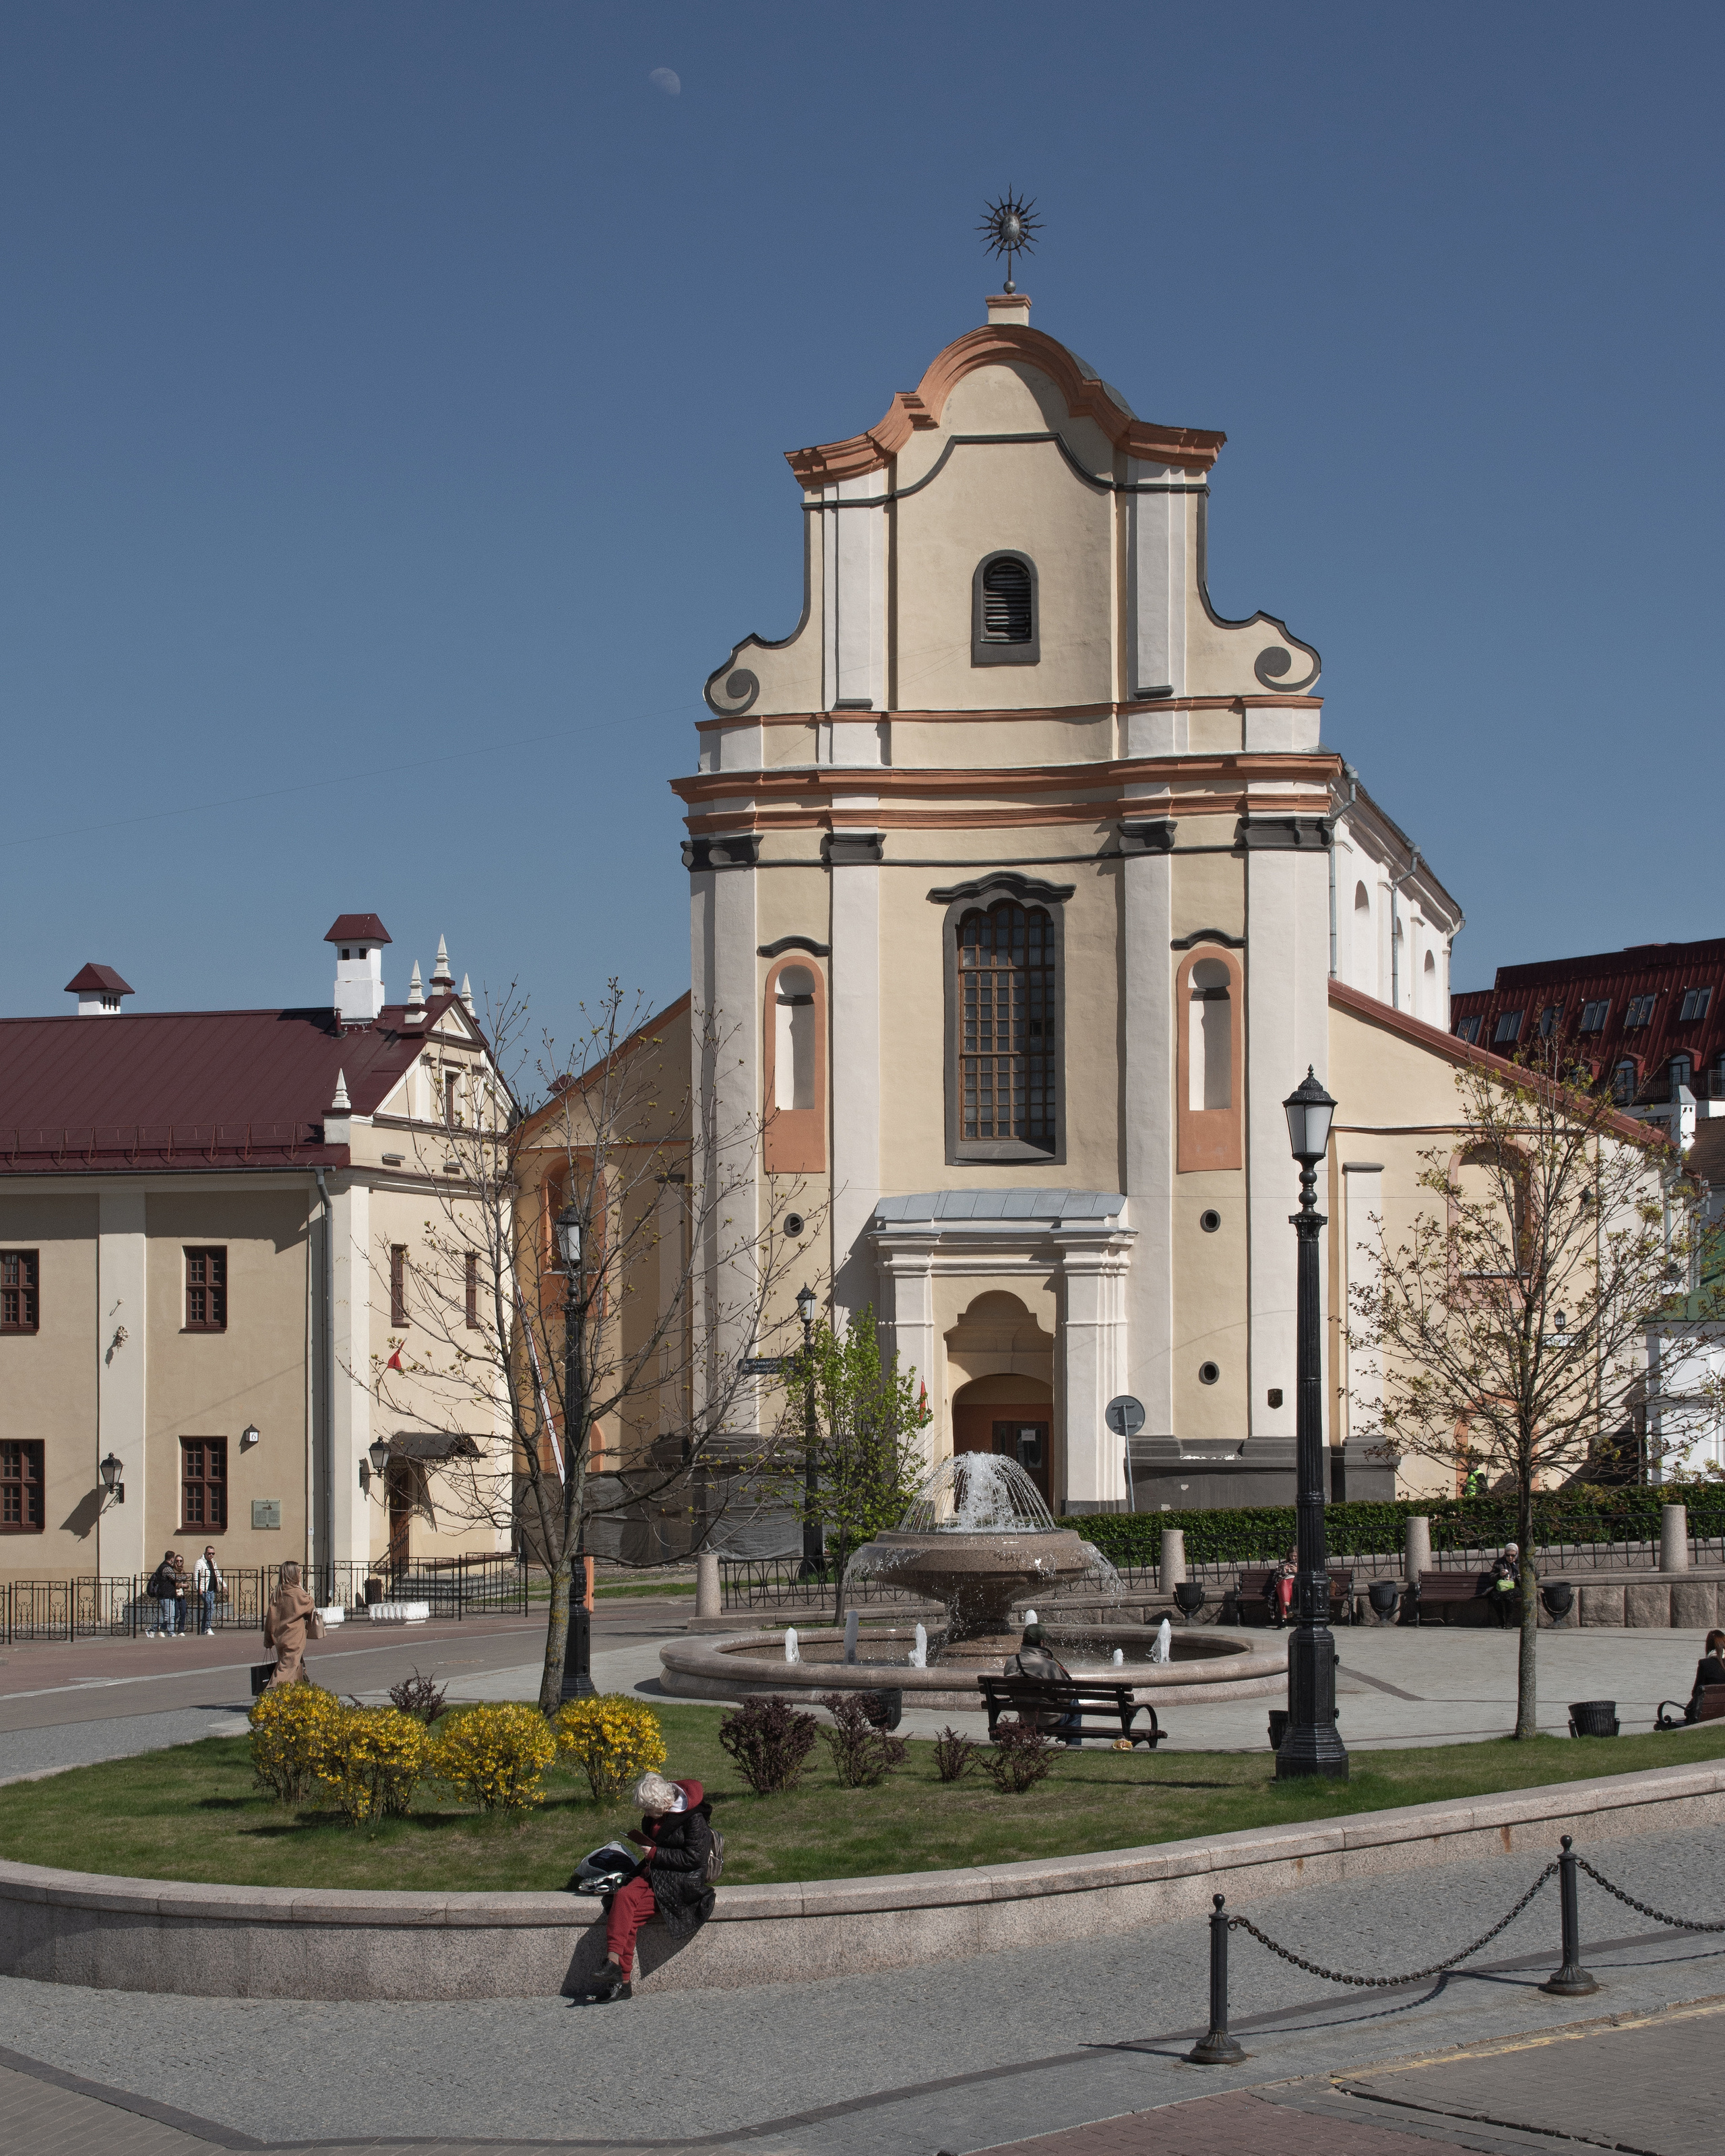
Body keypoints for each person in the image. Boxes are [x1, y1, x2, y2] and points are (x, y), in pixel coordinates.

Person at [586, 1772, 716, 2002]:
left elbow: (695, 1858)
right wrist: (633, 1872)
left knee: (628, 1917)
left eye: (648, 1809)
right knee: (624, 1895)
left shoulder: (694, 1817)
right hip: (655, 1874)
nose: (645, 1814)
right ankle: (613, 1964)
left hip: (680, 1882)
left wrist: (655, 1853)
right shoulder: (652, 1818)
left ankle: (621, 1981)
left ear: (662, 1804)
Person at [263, 1562, 317, 1684]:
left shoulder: (277, 1593)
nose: (301, 1573)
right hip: (294, 1636)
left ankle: (299, 1693)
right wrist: (300, 1587)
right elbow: (310, 1604)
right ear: (293, 1574)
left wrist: (268, 1640)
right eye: (298, 1571)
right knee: (287, 1667)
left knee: (296, 1664)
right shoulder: (296, 1593)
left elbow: (270, 1618)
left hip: (279, 1635)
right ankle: (272, 1692)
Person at [145, 1550, 179, 1640]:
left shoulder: (164, 1566)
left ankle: (171, 1632)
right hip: (165, 1595)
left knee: (172, 1615)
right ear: (172, 1559)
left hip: (169, 1594)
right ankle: (152, 1629)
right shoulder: (165, 1567)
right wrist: (186, 1576)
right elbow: (175, 1578)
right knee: (167, 1615)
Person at [1487, 1544, 1522, 1628]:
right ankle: (1501, 1621)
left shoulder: (1522, 1563)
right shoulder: (1500, 1563)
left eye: (1513, 1555)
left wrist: (1522, 1577)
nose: (1510, 1558)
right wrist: (1499, 1575)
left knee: (1509, 1596)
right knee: (1494, 1596)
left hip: (1517, 1587)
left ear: (1516, 1554)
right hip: (1502, 1587)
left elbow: (1536, 1574)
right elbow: (1491, 1578)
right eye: (1508, 1555)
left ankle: (1509, 1622)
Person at [194, 1545, 224, 1636]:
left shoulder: (213, 1562)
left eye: (213, 1554)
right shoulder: (200, 1562)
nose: (211, 1555)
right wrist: (198, 1587)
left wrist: (223, 1584)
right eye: (209, 1553)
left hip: (211, 1589)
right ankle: (208, 1628)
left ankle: (204, 1629)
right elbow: (196, 1576)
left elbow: (217, 1574)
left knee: (208, 1608)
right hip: (204, 1589)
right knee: (210, 1607)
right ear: (205, 1553)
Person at [1269, 1548, 1298, 1628]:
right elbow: (1275, 1579)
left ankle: (1284, 1619)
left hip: (1295, 1585)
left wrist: (1297, 1572)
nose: (1293, 1558)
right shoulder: (1283, 1564)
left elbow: (1306, 1577)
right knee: (1283, 1583)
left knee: (1284, 1589)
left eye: (1295, 1556)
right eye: (1291, 1556)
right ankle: (1287, 1608)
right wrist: (1284, 1571)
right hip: (1283, 1584)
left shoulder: (1302, 1564)